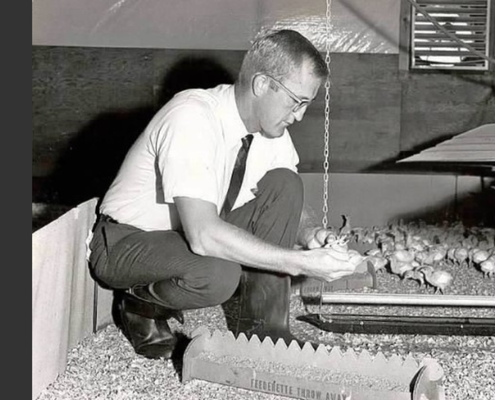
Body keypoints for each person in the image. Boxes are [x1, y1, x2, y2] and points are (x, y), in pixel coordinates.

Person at [88, 29, 358, 360]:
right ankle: (139, 304)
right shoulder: (191, 117)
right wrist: (298, 262)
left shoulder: (270, 132)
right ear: (261, 85)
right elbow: (203, 237)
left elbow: (288, 204)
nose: (300, 115)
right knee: (218, 273)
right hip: (125, 242)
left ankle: (264, 333)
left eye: (307, 104)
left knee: (287, 183)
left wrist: (313, 233)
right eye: (296, 101)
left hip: (185, 235)